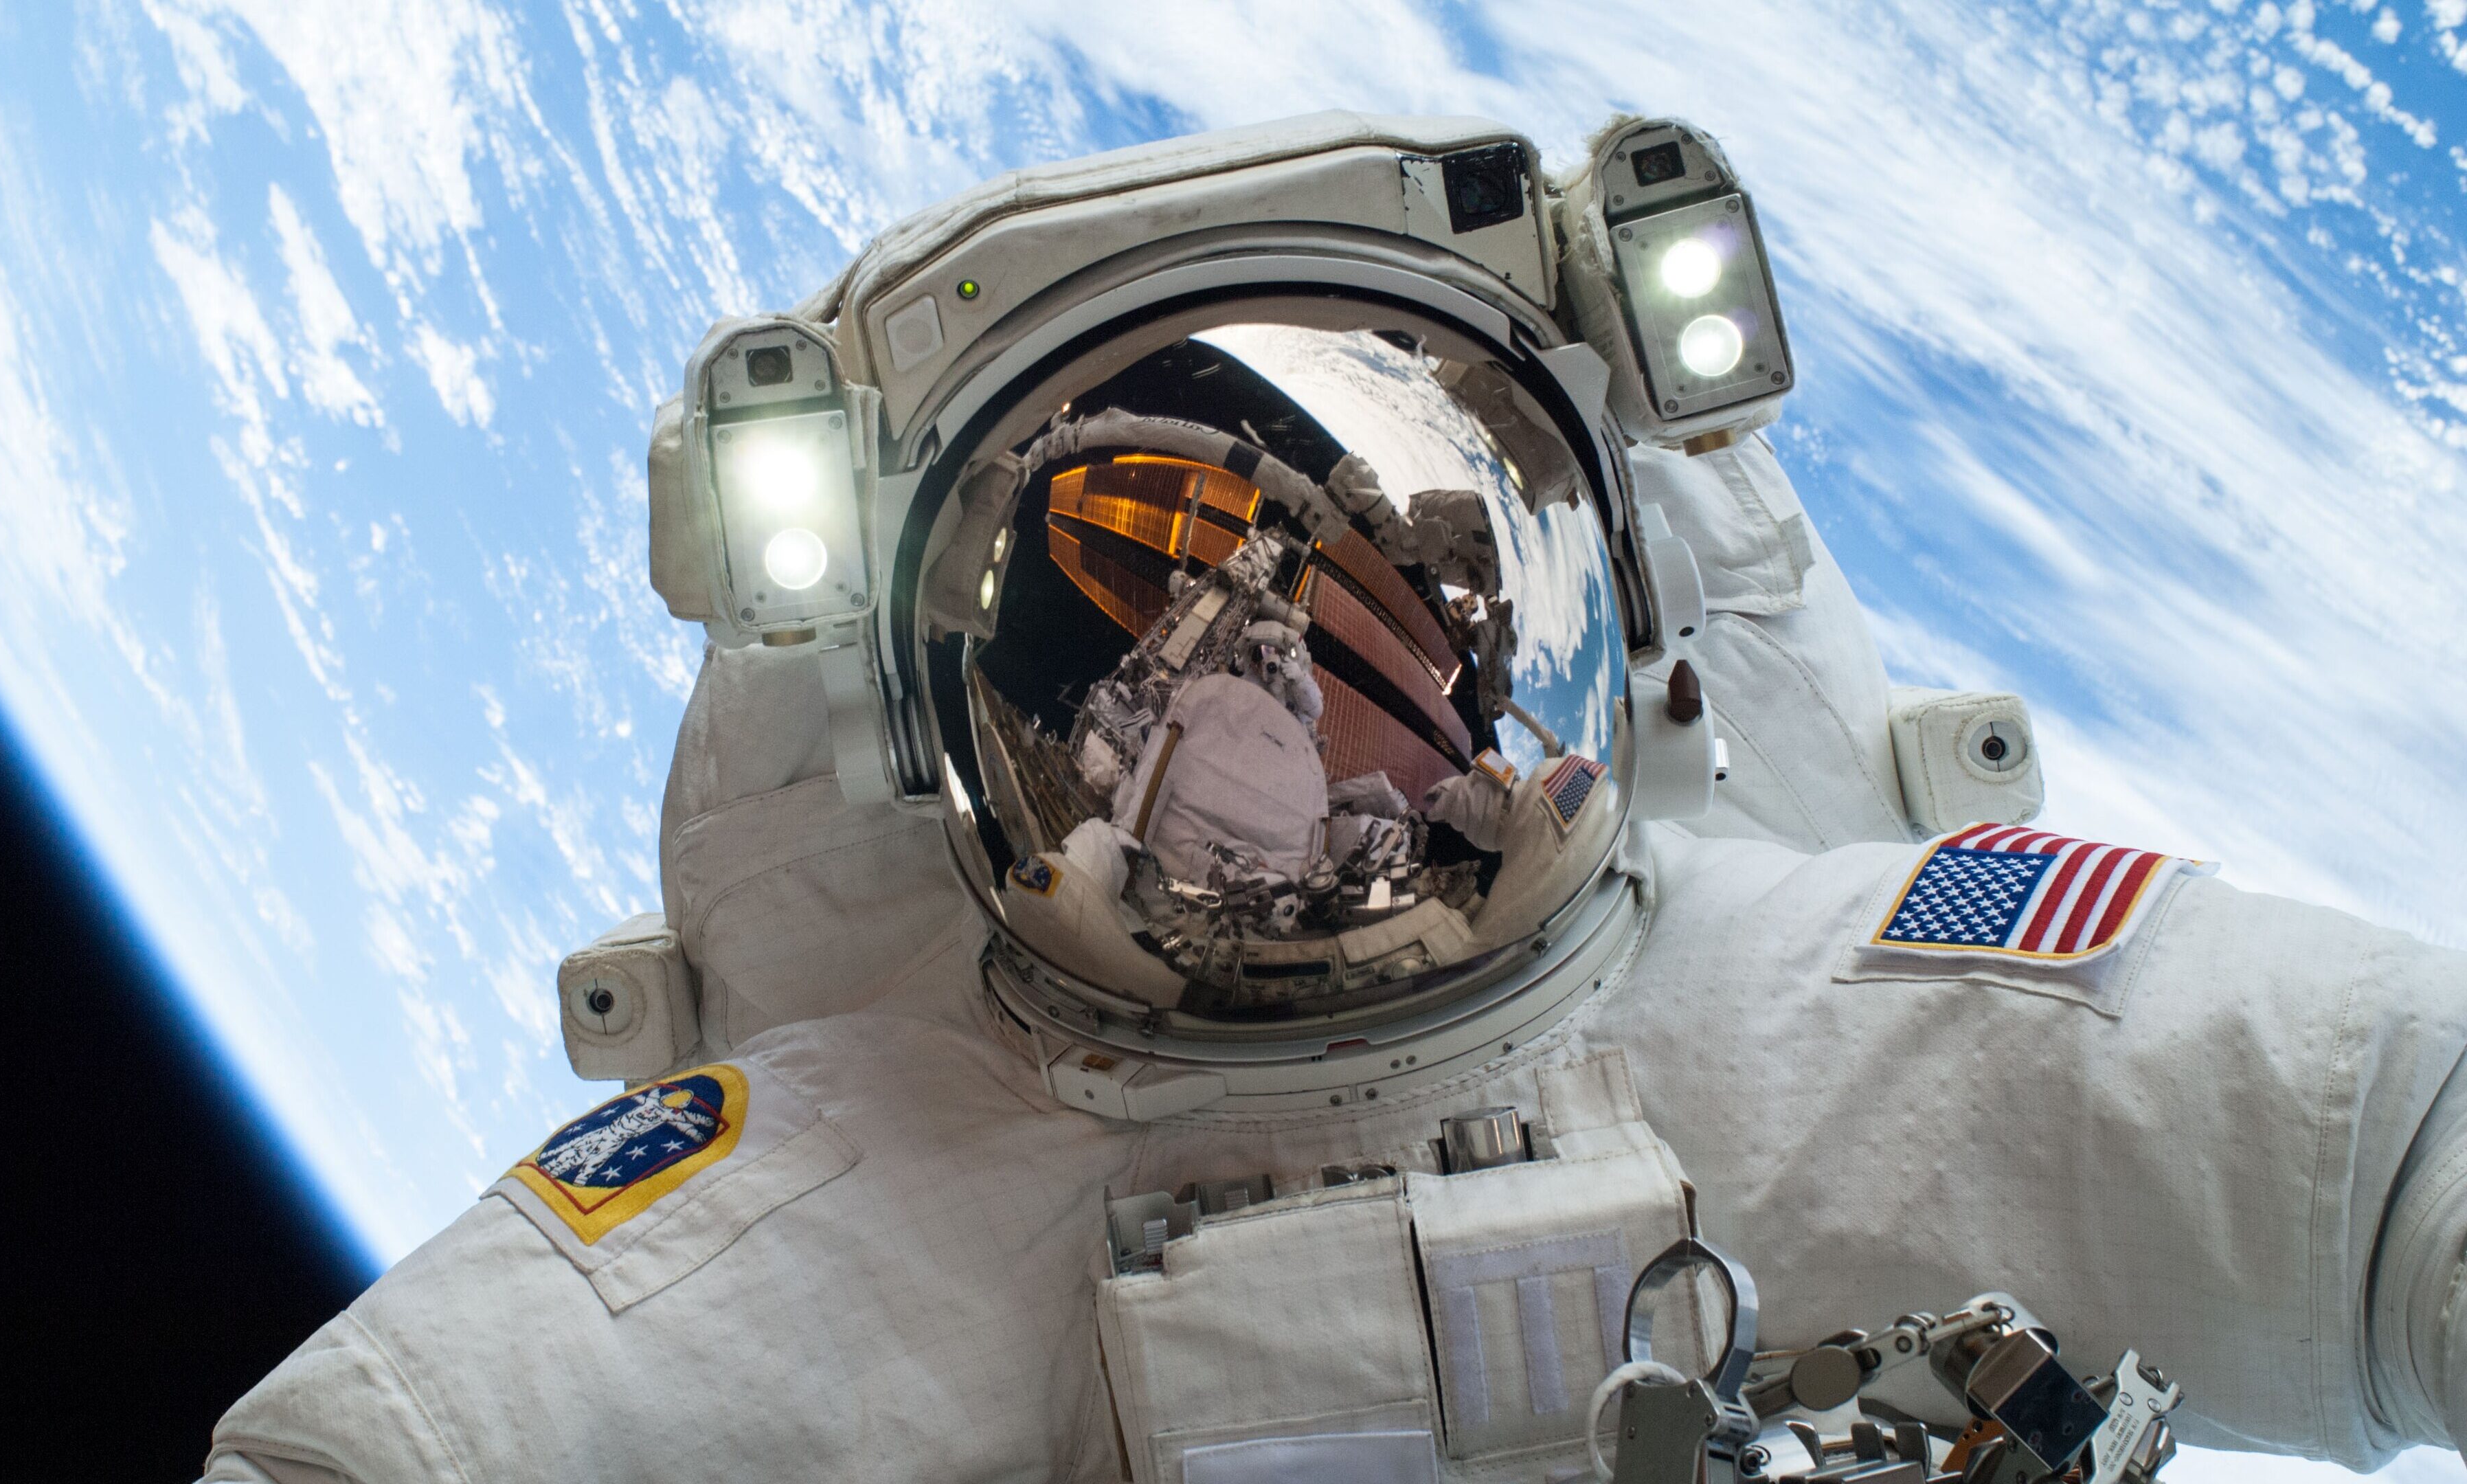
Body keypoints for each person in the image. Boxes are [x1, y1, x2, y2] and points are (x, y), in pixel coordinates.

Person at [201, 112, 2462, 1484]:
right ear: (978, 740)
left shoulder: (1835, 998)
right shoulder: (888, 1166)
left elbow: (2374, 1146)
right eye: (1180, 651)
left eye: (1306, 612)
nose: (1256, 679)